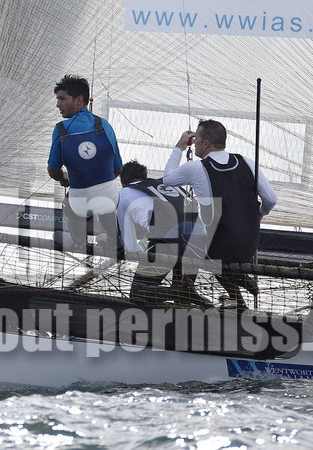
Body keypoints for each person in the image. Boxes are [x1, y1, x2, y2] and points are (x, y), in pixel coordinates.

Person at [159, 119, 278, 308]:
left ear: (206, 143)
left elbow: (167, 179)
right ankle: (238, 293)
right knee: (213, 240)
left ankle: (184, 294)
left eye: (196, 139)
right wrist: (259, 215)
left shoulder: (196, 168)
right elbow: (271, 199)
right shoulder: (246, 161)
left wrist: (179, 148)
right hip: (248, 246)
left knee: (186, 235)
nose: (194, 143)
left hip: (218, 249)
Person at [46, 75, 122, 253]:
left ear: (79, 100)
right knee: (104, 197)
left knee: (70, 202)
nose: (58, 104)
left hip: (79, 204)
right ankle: (114, 240)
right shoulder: (104, 125)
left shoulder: (60, 130)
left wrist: (64, 178)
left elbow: (53, 170)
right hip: (110, 199)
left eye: (62, 99)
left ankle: (79, 242)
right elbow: (117, 168)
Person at [116, 160, 207, 307]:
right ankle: (184, 295)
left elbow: (128, 241)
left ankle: (176, 292)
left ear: (123, 182)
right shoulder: (169, 187)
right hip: (198, 244)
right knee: (182, 301)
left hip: (167, 242)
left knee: (138, 294)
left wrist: (136, 252)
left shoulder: (124, 193)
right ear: (144, 177)